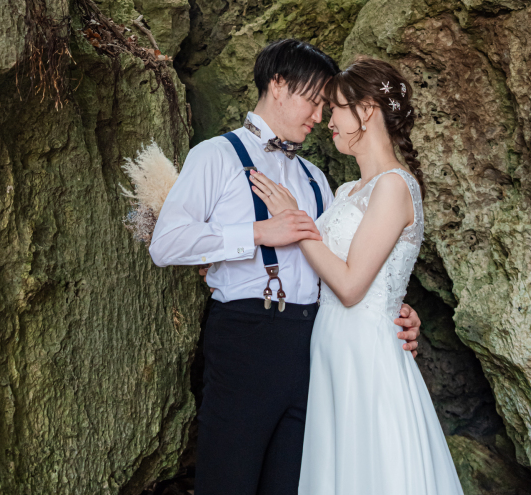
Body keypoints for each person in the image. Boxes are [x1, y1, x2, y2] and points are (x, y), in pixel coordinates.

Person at [149, 40, 422, 495]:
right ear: (278, 85)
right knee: (228, 482)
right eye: (314, 100)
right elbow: (167, 243)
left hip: (314, 344)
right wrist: (256, 234)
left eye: (326, 105)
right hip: (246, 337)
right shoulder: (215, 155)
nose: (319, 116)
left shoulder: (319, 179)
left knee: (295, 483)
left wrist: (395, 307)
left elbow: (352, 264)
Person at [250, 57, 464, 495]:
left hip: (366, 354)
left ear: (366, 110)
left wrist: (295, 221)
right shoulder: (347, 191)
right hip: (330, 348)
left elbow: (350, 287)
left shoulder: (395, 186)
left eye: (335, 108)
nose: (327, 120)